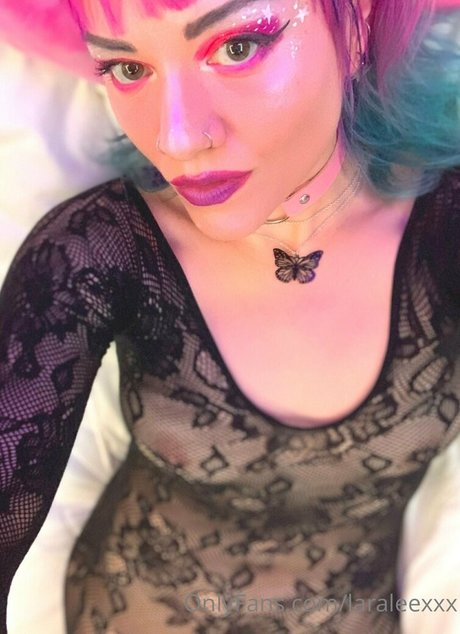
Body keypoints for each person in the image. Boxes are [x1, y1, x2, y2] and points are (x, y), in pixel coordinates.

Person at [0, 0, 459, 632]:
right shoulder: (98, 251)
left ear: (356, 27)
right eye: (129, 69)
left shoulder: (446, 236)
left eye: (237, 48)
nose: (177, 137)